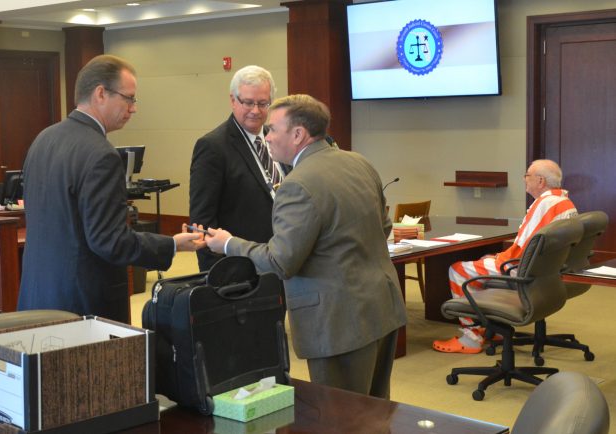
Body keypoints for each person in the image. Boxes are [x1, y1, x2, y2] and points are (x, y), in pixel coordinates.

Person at [205, 94, 406, 398]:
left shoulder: (298, 184)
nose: (266, 137)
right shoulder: (359, 162)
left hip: (338, 321)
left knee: (341, 417)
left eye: (272, 129)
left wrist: (229, 244)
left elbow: (280, 262)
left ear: (298, 134)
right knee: (376, 410)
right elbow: (383, 227)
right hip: (381, 306)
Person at [18, 54, 205, 323]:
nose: (133, 108)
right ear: (100, 94)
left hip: (39, 296)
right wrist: (172, 245)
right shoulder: (101, 154)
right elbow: (110, 241)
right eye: (128, 98)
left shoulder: (44, 138)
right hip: (83, 308)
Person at [433, 159, 577, 353]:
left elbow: (521, 250)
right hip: (547, 270)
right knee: (485, 257)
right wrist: (493, 258)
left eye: (527, 175)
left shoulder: (544, 205)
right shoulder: (564, 201)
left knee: (457, 270)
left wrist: (496, 259)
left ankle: (471, 337)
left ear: (540, 181)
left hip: (523, 271)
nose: (525, 179)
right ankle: (492, 326)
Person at [189, 65, 286, 271]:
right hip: (242, 266)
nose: (256, 111)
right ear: (233, 100)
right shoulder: (213, 146)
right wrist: (216, 276)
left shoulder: (279, 139)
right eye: (248, 102)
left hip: (284, 258)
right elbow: (202, 220)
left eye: (263, 103)